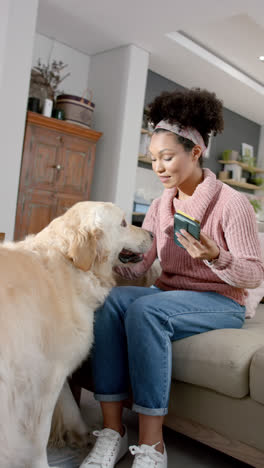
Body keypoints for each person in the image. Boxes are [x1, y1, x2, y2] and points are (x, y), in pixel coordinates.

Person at [80, 88, 264, 468]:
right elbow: (142, 265)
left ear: (195, 152)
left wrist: (217, 256)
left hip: (222, 301)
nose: (159, 167)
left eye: (167, 157)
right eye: (153, 160)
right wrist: (105, 261)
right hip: (170, 293)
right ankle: (113, 431)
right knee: (112, 302)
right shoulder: (161, 205)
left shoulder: (232, 203)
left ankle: (153, 445)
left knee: (146, 312)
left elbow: (253, 274)